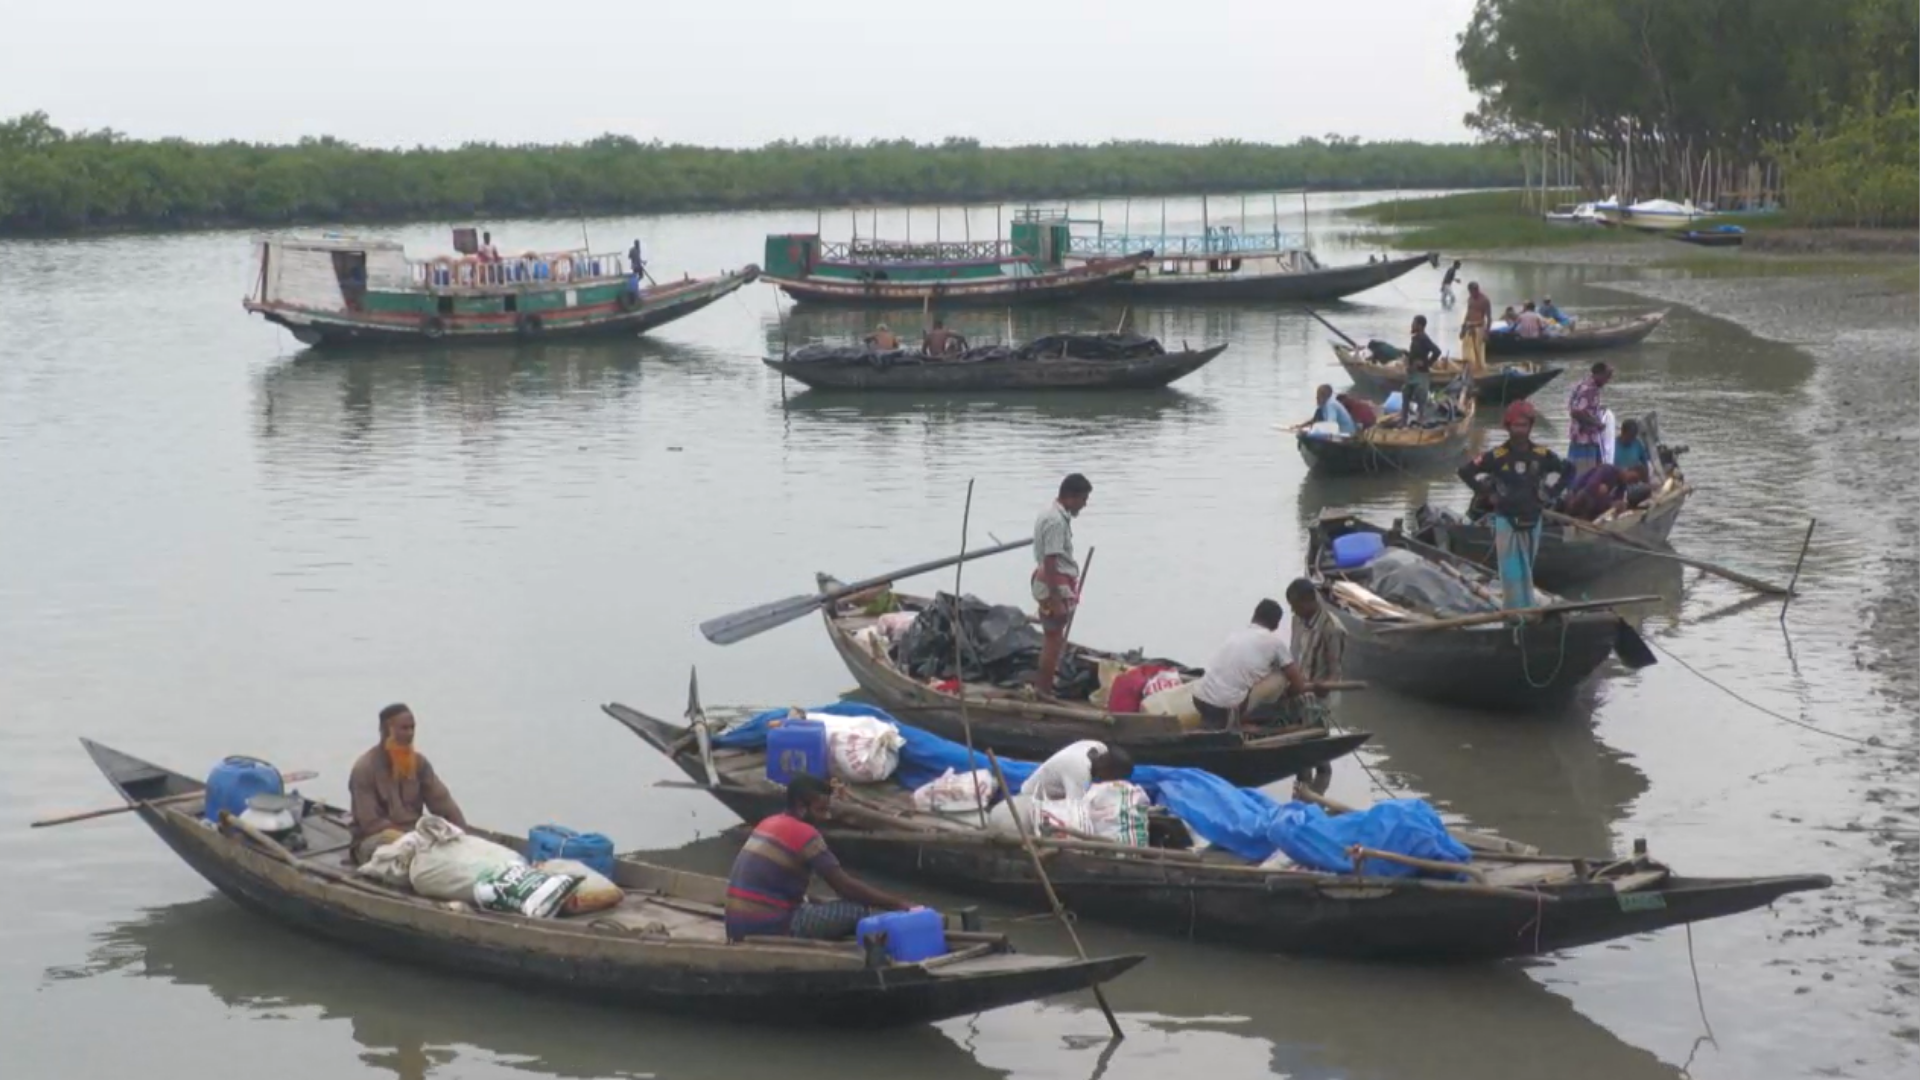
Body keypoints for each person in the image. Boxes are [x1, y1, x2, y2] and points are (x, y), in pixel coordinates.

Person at [724, 775, 916, 942]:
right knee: (857, 910)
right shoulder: (806, 834)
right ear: (801, 807)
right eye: (821, 810)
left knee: (815, 902)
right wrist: (900, 905)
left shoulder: (769, 822)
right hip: (770, 928)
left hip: (736, 924)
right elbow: (844, 886)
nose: (827, 816)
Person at [1458, 401, 1572, 609]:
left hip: (1533, 519)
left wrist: (1551, 493)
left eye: (1524, 425)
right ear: (1508, 427)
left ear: (1530, 426)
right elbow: (1465, 472)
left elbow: (1569, 470)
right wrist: (1486, 494)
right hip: (1506, 521)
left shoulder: (1542, 455)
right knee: (1511, 572)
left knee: (1527, 569)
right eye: (1516, 425)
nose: (1520, 430)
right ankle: (1514, 614)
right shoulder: (1496, 456)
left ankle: (1527, 608)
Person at [349, 704, 467, 864]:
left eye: (412, 728)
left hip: (416, 834)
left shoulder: (419, 763)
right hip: (376, 839)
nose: (410, 734)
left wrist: (462, 836)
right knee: (399, 845)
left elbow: (443, 803)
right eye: (404, 728)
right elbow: (370, 824)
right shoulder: (364, 768)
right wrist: (412, 838)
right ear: (385, 730)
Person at [1191, 595, 1325, 731]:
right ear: (1276, 625)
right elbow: (1298, 684)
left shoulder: (1235, 635)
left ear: (1254, 616)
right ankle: (1241, 721)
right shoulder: (1275, 643)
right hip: (1225, 709)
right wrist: (1288, 694)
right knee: (1281, 677)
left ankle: (1225, 718)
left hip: (1198, 699)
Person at [1031, 473, 1091, 699]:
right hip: (1052, 586)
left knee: (1053, 638)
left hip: (1052, 584)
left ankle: (1043, 688)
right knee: (1053, 640)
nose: (1084, 505)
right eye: (1083, 500)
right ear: (1071, 497)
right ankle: (1043, 692)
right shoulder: (1055, 521)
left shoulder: (1051, 514)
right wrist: (1056, 600)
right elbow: (1050, 563)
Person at [1020, 740, 1133, 801]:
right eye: (1114, 778)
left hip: (1057, 798)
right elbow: (1075, 811)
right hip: (1033, 801)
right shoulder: (1080, 771)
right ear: (1108, 770)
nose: (1111, 783)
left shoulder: (1098, 747)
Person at [1567, 362, 1614, 475]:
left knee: (1574, 469)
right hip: (1585, 439)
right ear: (1598, 374)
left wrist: (1597, 409)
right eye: (1606, 377)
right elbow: (1577, 413)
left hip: (1576, 436)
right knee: (1584, 473)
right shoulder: (1590, 389)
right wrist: (1597, 423)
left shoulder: (1581, 384)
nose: (1607, 381)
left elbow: (1574, 406)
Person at [1405, 314, 1442, 423]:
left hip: (1421, 374)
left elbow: (1437, 351)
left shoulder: (1424, 338)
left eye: (1414, 323)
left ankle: (1421, 419)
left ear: (1420, 326)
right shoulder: (1416, 338)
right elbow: (1415, 355)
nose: (1412, 325)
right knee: (1406, 394)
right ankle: (1404, 420)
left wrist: (1426, 364)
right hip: (1412, 373)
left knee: (1421, 397)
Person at [1460, 282, 1491, 375]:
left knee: (1479, 350)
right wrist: (1463, 328)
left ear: (1477, 289)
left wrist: (1487, 332)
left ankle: (1480, 369)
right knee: (1466, 350)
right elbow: (1468, 314)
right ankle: (1469, 368)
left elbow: (1489, 317)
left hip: (1479, 327)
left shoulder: (1485, 300)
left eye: (1475, 290)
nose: (1473, 293)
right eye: (1471, 291)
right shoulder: (1470, 299)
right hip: (1469, 327)